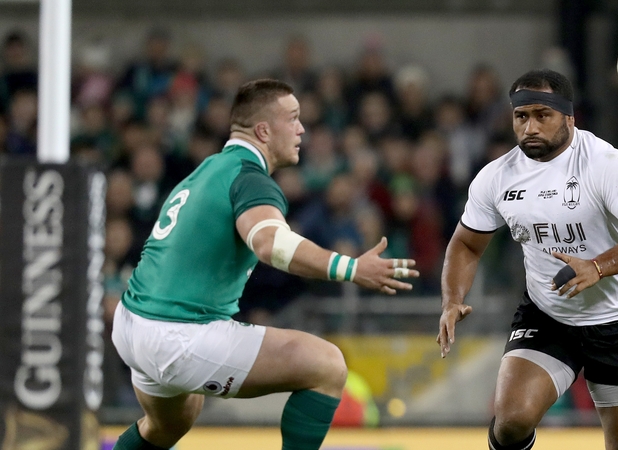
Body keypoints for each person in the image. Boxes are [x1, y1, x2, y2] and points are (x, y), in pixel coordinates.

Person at [111, 78, 418, 450]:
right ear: (263, 130)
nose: (301, 129)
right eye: (293, 118)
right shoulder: (250, 179)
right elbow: (271, 243)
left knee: (168, 425)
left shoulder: (208, 169)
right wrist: (349, 268)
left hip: (133, 325)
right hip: (177, 335)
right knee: (327, 366)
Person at [437, 69, 618, 450]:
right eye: (521, 117)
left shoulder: (604, 164)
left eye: (541, 115)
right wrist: (452, 299)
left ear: (569, 117)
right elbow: (465, 244)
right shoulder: (496, 178)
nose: (530, 127)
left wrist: (598, 266)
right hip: (548, 317)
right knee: (511, 422)